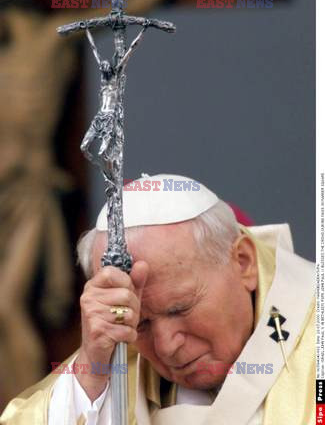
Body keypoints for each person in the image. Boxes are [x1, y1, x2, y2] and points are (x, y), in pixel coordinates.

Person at [0, 174, 315, 425]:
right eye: (142, 323)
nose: (167, 347)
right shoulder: (115, 358)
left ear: (243, 262)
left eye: (180, 308)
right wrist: (91, 374)